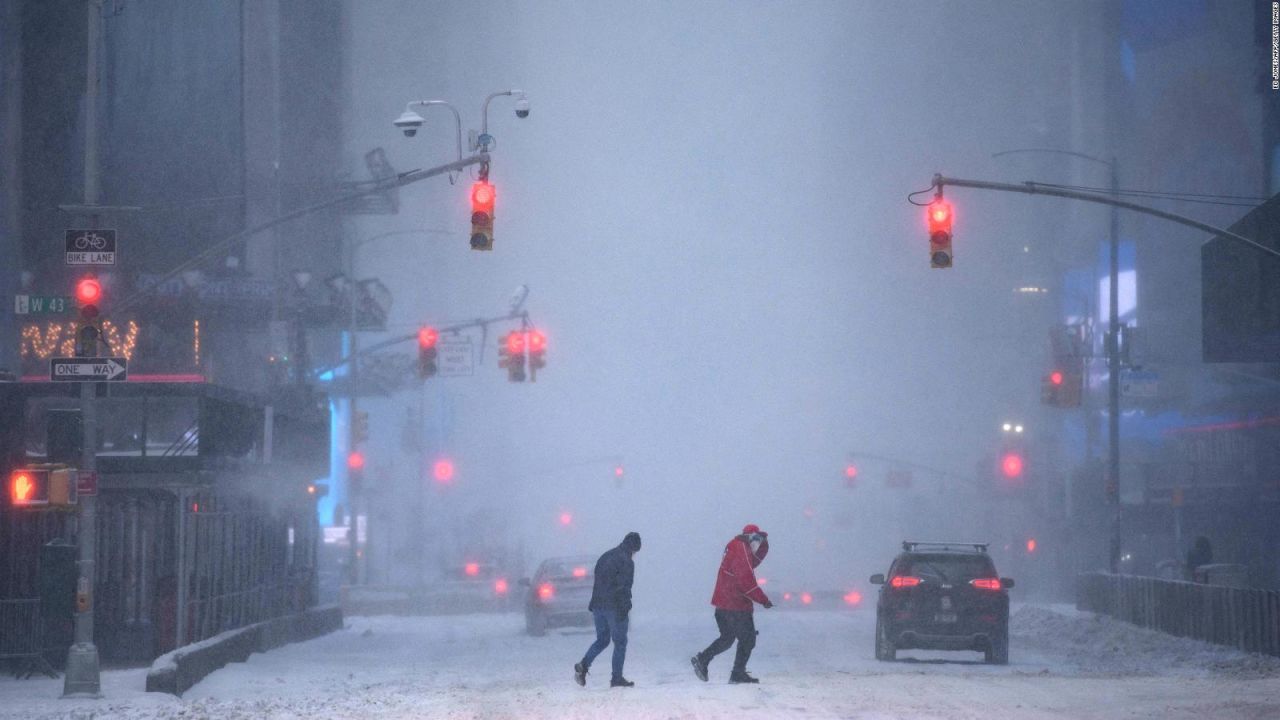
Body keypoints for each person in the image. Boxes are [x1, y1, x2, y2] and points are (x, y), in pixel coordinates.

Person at [691, 524, 772, 684]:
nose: (757, 543)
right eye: (755, 539)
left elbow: (753, 562)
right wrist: (763, 600)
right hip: (735, 606)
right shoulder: (741, 550)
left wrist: (764, 543)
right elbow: (746, 581)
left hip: (724, 604)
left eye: (759, 540)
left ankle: (703, 659)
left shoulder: (738, 548)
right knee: (748, 639)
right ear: (749, 537)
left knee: (727, 638)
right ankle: (737, 673)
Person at [575, 531, 641, 688]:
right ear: (633, 548)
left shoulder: (606, 556)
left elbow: (598, 581)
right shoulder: (627, 562)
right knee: (620, 642)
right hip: (614, 607)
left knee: (602, 640)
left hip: (598, 605)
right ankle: (616, 678)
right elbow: (624, 587)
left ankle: (584, 665)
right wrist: (625, 608)